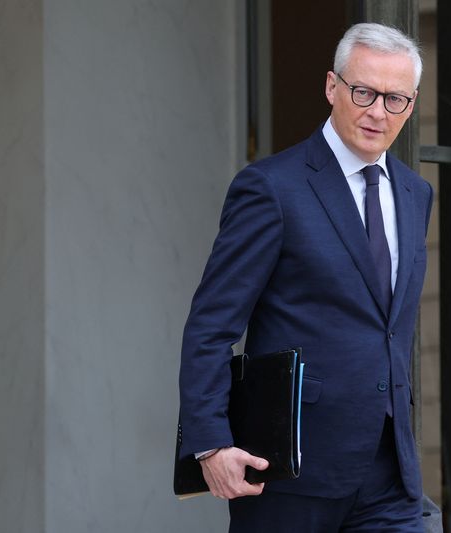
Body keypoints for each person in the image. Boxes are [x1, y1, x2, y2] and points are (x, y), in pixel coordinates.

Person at [179, 22, 433, 532]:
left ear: (412, 104)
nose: (377, 112)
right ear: (331, 87)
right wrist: (211, 442)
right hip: (290, 472)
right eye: (363, 92)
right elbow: (212, 324)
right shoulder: (271, 188)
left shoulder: (414, 193)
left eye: (396, 99)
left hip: (390, 474)